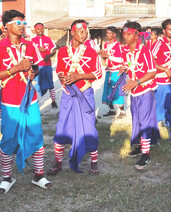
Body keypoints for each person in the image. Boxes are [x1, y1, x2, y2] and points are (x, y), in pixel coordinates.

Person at [0, 9, 51, 194]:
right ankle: (7, 177)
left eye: (23, 22)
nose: (22, 26)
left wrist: (32, 72)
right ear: (6, 25)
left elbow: (36, 67)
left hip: (30, 99)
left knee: (36, 136)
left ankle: (38, 175)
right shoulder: (0, 46)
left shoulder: (30, 46)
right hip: (9, 102)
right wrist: (15, 69)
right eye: (17, 23)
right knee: (8, 140)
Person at [47, 20, 103, 175]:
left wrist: (80, 76)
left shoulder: (91, 51)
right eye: (80, 31)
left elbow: (98, 73)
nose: (84, 34)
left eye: (86, 31)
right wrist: (61, 77)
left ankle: (94, 162)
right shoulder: (63, 51)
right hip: (67, 94)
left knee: (89, 127)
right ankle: (58, 162)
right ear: (72, 32)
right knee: (63, 127)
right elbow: (59, 69)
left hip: (85, 94)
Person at [120, 21, 159, 170]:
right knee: (136, 120)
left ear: (137, 35)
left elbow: (152, 71)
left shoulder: (145, 51)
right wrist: (124, 69)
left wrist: (136, 81)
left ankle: (146, 154)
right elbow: (131, 66)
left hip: (145, 90)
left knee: (144, 121)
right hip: (134, 91)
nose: (125, 36)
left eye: (129, 34)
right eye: (124, 33)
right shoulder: (125, 51)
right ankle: (139, 146)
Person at [99, 26, 126, 118]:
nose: (107, 34)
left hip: (116, 71)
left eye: (109, 33)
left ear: (114, 35)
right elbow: (105, 57)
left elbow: (121, 59)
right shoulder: (105, 45)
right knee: (108, 90)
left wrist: (108, 56)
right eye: (106, 33)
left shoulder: (118, 46)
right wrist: (102, 55)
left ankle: (122, 111)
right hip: (109, 70)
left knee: (117, 90)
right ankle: (111, 109)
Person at [31, 22, 58, 108]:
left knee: (50, 84)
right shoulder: (32, 41)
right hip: (37, 66)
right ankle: (35, 101)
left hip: (47, 65)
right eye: (38, 29)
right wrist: (37, 50)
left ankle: (53, 101)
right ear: (35, 30)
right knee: (36, 84)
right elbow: (29, 53)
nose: (40, 30)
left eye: (41, 28)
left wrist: (49, 55)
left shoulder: (48, 39)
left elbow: (54, 50)